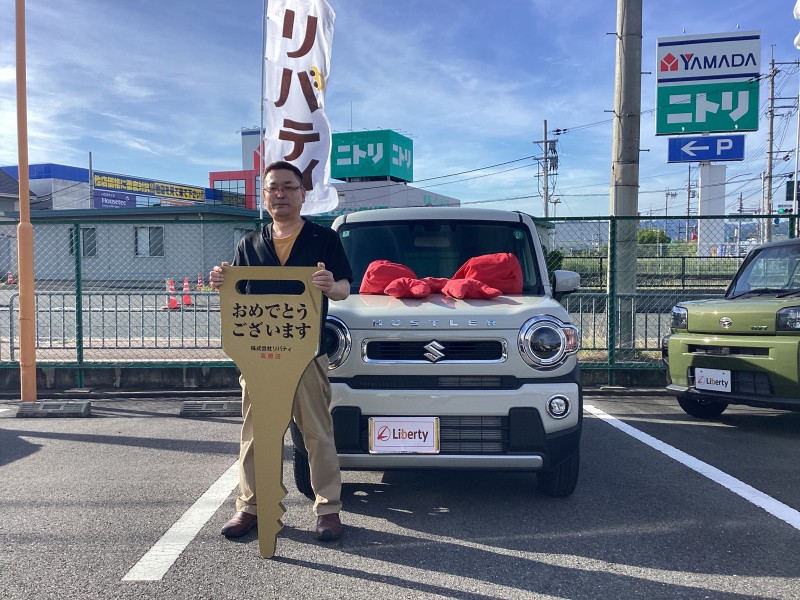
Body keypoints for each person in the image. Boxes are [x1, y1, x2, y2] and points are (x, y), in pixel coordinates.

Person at [209, 160, 352, 542]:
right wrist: (221, 280)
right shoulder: (249, 243)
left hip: (306, 353)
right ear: (264, 195)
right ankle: (251, 507)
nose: (281, 194)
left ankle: (328, 509)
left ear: (302, 194)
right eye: (273, 187)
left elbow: (344, 288)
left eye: (289, 187)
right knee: (256, 434)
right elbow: (237, 294)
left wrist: (330, 284)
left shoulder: (323, 239)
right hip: (258, 355)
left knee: (317, 433)